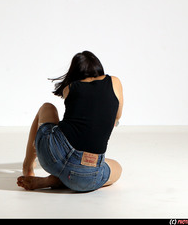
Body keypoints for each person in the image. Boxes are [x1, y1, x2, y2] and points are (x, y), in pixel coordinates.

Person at [16, 51, 124, 192]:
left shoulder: (70, 88)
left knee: (47, 107)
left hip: (52, 155)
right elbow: (117, 116)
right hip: (88, 176)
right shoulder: (115, 82)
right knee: (117, 168)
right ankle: (59, 180)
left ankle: (28, 167)